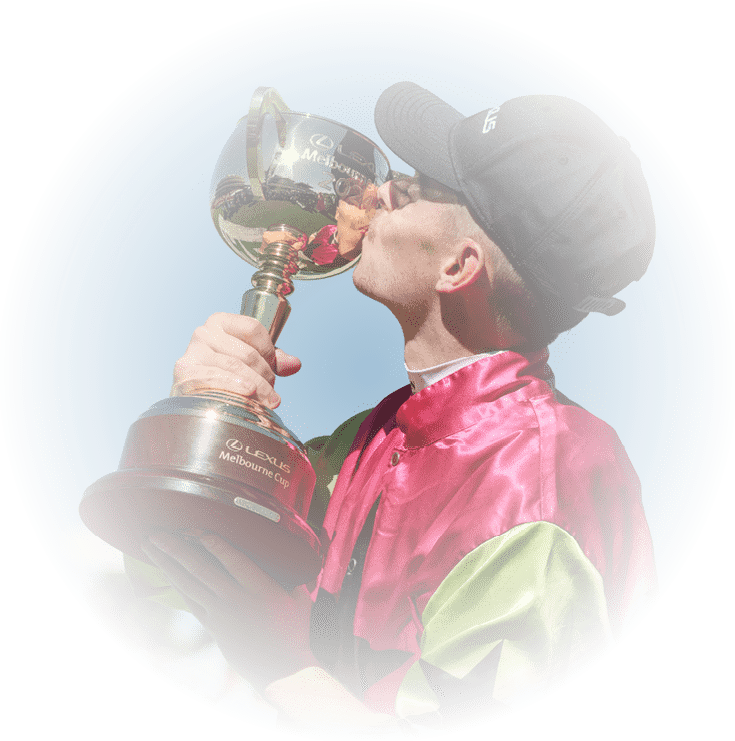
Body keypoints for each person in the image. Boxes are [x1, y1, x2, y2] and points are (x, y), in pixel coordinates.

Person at [130, 82, 659, 733]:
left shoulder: (536, 485)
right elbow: (177, 577)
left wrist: (280, 664)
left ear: (459, 265)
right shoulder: (377, 433)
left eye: (413, 188)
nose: (377, 193)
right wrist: (200, 422)